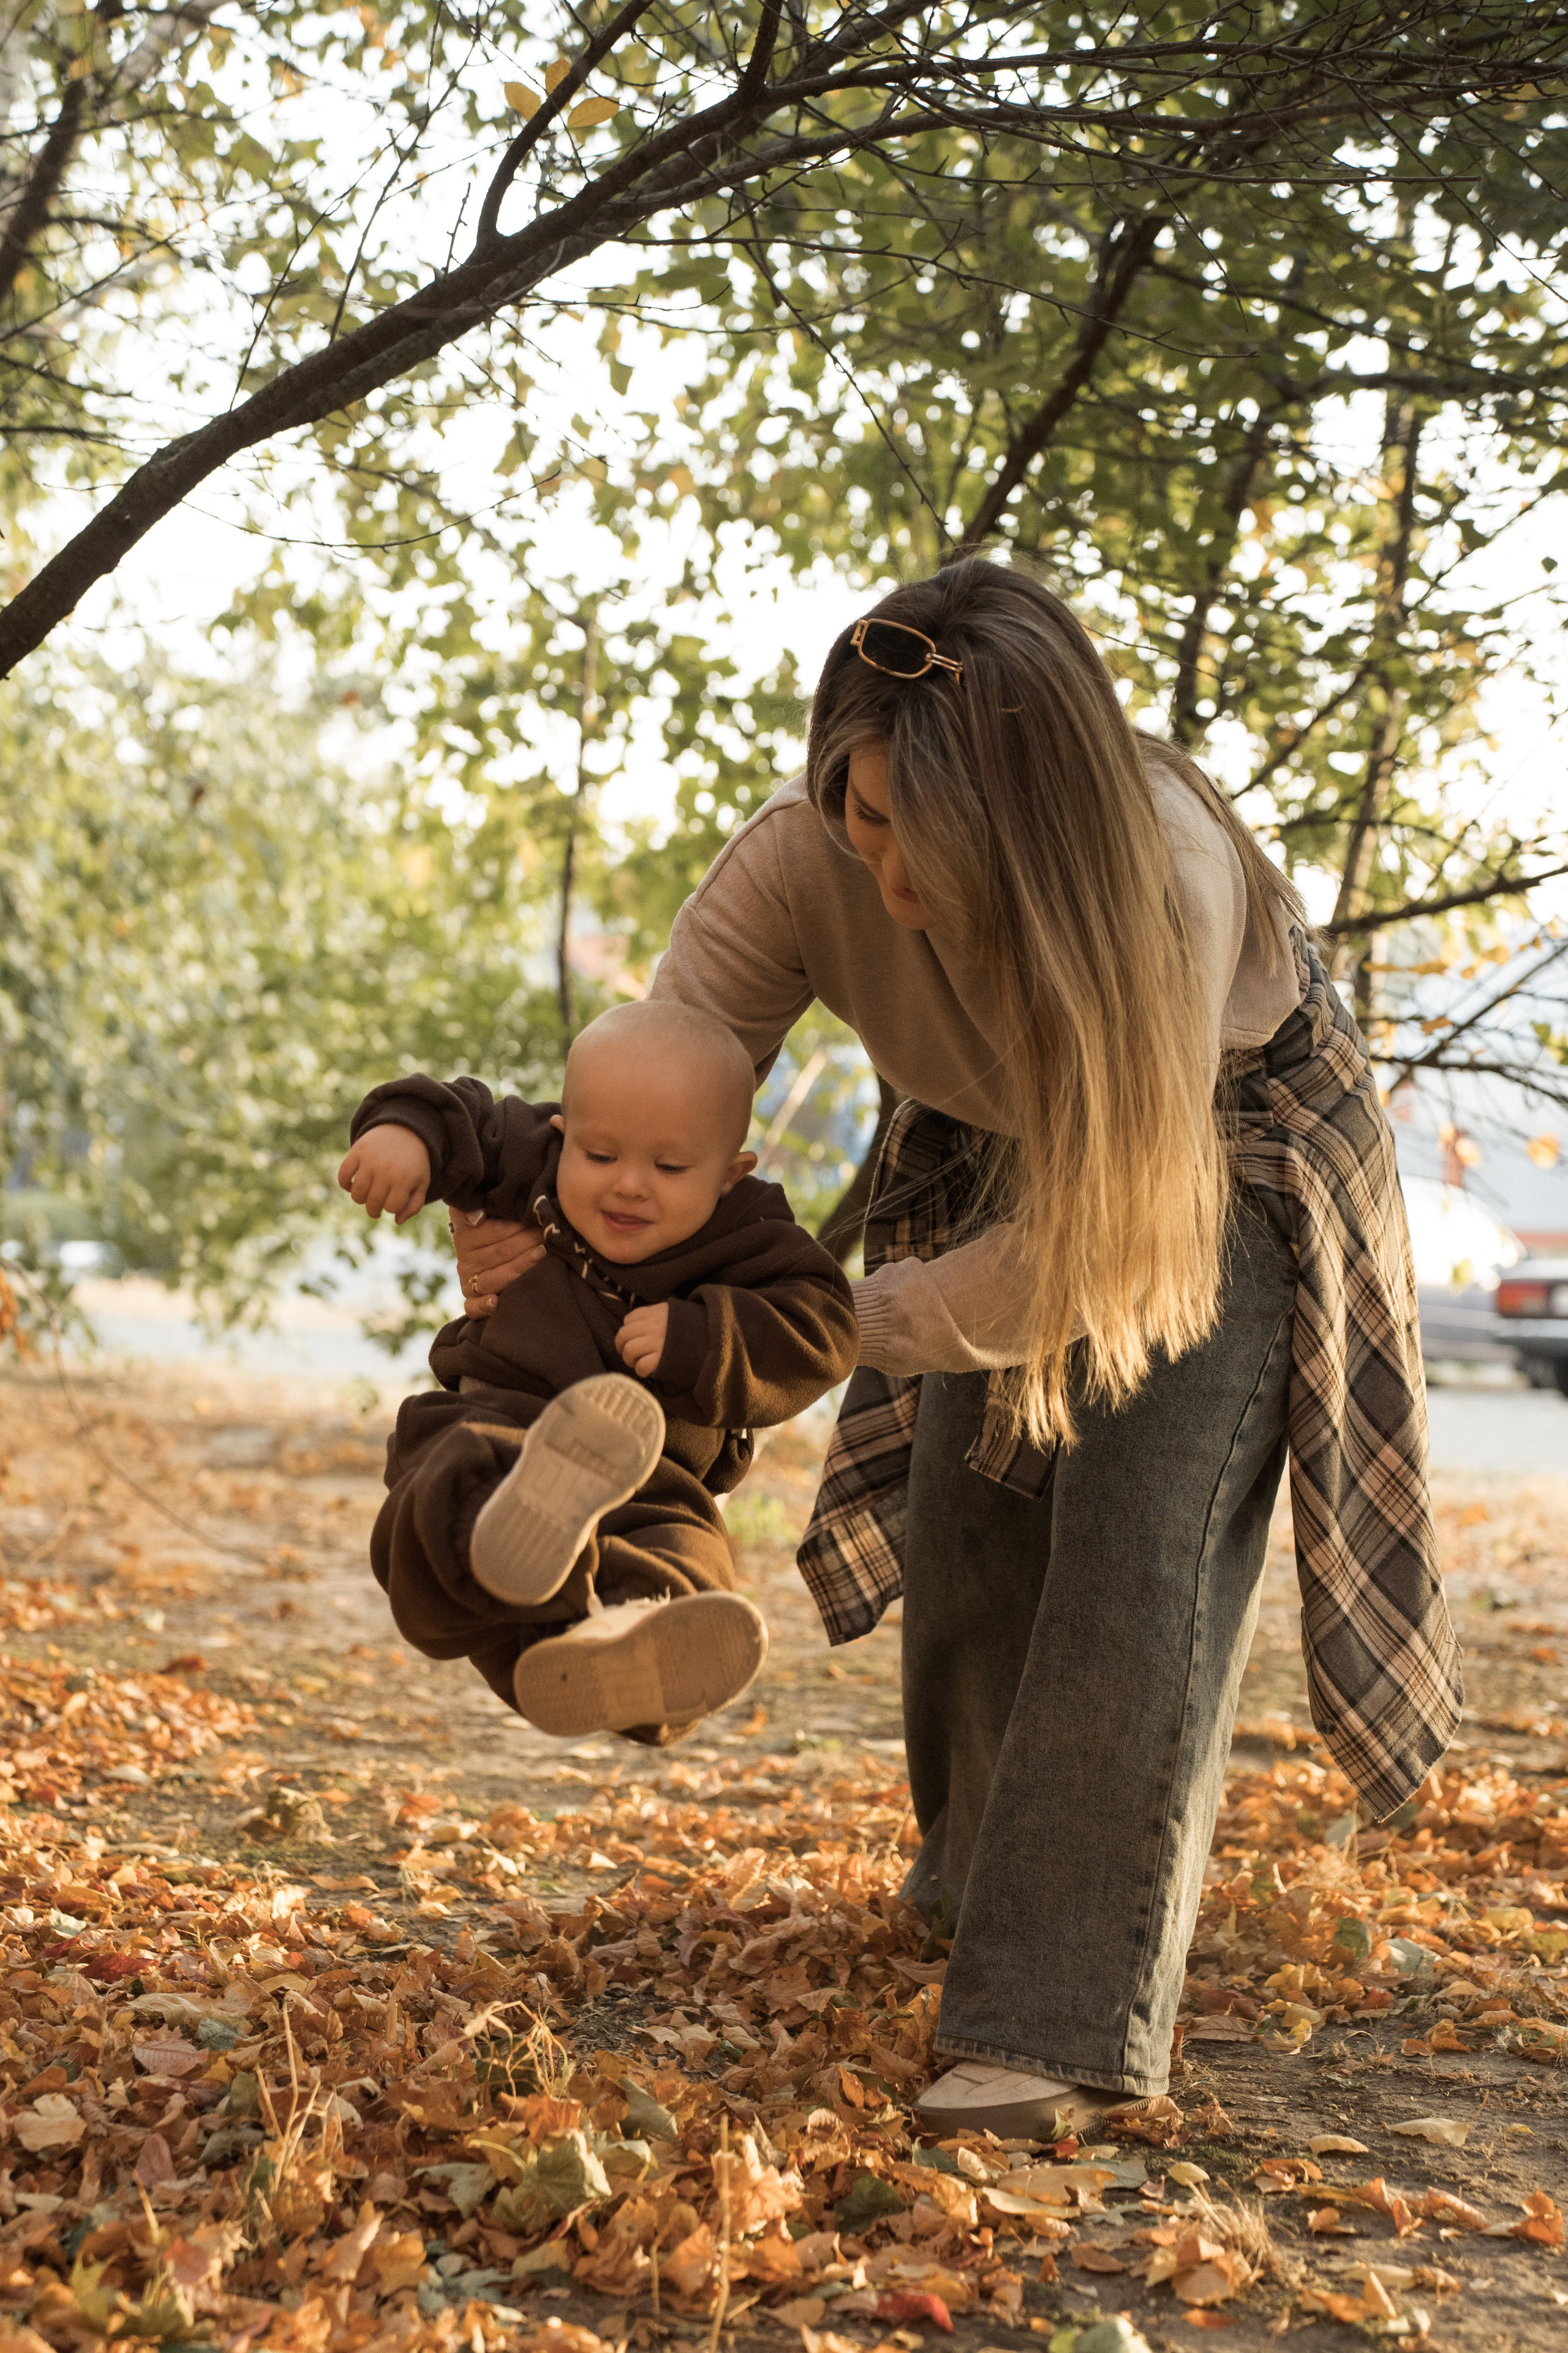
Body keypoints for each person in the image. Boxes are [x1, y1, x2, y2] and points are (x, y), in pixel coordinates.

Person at [446, 561, 1461, 2137]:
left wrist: (821, 1326)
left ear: (1032, 811)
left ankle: (1055, 2017)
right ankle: (977, 1882)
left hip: (1209, 1156)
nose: (888, 869)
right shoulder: (804, 855)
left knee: (1132, 1544)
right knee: (967, 1521)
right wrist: (556, 1222)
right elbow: (667, 1071)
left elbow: (1098, 1235)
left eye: (927, 830)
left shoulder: (1162, 877)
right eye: (861, 811)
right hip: (997, 1147)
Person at [338, 999, 858, 1744]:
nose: (627, 1184)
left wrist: (701, 1337)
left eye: (670, 1166)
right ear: (563, 1134)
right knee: (445, 1494)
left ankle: (628, 1641)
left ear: (730, 1174)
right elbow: (466, 1116)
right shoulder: (539, 1162)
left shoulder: (751, 1236)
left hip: (656, 1478)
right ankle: (518, 1529)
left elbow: (824, 1327)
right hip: (496, 1421)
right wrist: (405, 1135)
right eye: (600, 1155)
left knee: (688, 1569)